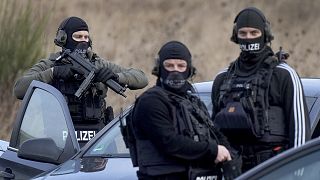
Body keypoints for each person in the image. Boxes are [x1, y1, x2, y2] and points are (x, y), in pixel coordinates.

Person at [13, 16, 148, 146]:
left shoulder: (98, 64)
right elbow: (19, 89)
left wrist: (116, 77)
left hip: (96, 142)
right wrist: (53, 73)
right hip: (59, 143)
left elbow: (142, 78)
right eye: (78, 37)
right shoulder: (50, 64)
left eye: (86, 37)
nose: (83, 41)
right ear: (63, 38)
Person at [211, 7, 311, 172]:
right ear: (236, 36)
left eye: (254, 33)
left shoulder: (284, 75)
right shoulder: (222, 79)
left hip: (273, 169)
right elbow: (212, 131)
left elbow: (300, 130)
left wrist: (298, 173)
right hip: (233, 170)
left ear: (265, 34)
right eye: (243, 34)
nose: (248, 38)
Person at [129, 41, 241, 180]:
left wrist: (230, 156)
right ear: (159, 69)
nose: (175, 71)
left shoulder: (192, 101)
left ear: (189, 69)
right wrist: (213, 151)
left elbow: (214, 132)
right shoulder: (151, 101)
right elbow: (169, 142)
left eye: (181, 66)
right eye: (169, 66)